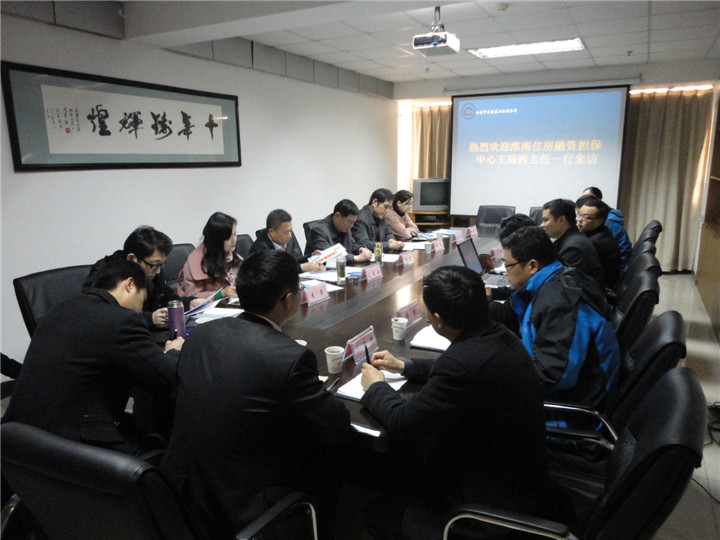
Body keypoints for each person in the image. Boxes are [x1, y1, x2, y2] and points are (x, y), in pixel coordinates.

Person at [359, 266, 573, 538]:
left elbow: (404, 423)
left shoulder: (462, 363)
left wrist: (375, 386)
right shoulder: (498, 334)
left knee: (381, 506)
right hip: (520, 472)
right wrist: (406, 366)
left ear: (438, 320)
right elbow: (465, 369)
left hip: (487, 500)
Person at [161, 250, 351, 539]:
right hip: (239, 508)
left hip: (179, 492)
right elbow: (336, 425)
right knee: (331, 462)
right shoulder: (289, 357)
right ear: (288, 299)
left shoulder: (200, 334)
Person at [3, 259, 183, 456]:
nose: (140, 310)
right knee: (162, 452)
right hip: (68, 446)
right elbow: (168, 376)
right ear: (129, 285)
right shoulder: (121, 320)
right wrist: (173, 351)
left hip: (17, 435)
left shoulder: (59, 308)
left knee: (136, 422)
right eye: (142, 300)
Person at [488, 226, 621, 410]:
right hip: (566, 389)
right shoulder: (555, 279)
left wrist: (494, 370)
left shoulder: (561, 302)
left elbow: (552, 376)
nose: (506, 271)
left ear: (532, 266)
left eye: (508, 265)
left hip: (573, 407)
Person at [83, 225, 196, 330]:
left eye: (161, 264)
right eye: (155, 265)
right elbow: (103, 316)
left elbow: (165, 295)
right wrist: (149, 319)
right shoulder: (104, 275)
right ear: (132, 258)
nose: (158, 271)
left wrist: (188, 304)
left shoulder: (152, 269)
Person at [540, 198, 605, 289]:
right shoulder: (572, 238)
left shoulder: (574, 248)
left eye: (545, 220)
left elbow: (565, 287)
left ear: (561, 220)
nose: (542, 225)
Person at [180, 211, 242, 299]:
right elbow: (191, 298)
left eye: (235, 235)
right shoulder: (195, 263)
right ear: (216, 239)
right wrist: (220, 294)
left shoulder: (233, 256)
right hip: (212, 307)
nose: (234, 240)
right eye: (228, 237)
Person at [249, 208, 326, 273]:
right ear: (271, 232)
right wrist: (301, 267)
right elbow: (275, 272)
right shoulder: (260, 248)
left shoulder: (287, 238)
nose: (290, 235)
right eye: (286, 232)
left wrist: (311, 256)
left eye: (291, 231)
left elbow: (292, 261)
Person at [304, 199, 373, 263]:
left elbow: (351, 244)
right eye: (349, 222)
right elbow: (329, 256)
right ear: (337, 215)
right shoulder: (318, 230)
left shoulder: (345, 227)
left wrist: (360, 249)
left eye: (353, 222)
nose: (351, 226)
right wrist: (357, 258)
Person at [576, 195, 622, 290]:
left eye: (586, 217)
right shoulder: (602, 231)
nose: (579, 220)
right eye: (579, 214)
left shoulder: (595, 243)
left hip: (601, 290)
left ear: (599, 221)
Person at [582, 186, 633, 266]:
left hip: (620, 265)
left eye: (587, 198)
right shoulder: (608, 215)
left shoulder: (609, 223)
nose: (584, 202)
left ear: (598, 200)